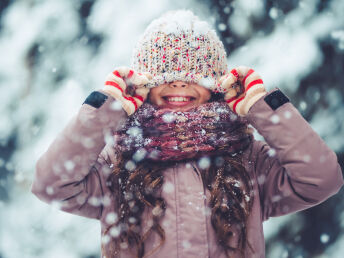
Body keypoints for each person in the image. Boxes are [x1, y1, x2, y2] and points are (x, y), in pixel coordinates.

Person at [31, 9, 343, 258]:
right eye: (166, 75)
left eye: (194, 75)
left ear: (215, 88)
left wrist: (263, 107)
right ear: (144, 88)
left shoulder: (246, 158)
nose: (179, 84)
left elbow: (321, 178)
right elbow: (51, 184)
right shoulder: (119, 161)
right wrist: (103, 111)